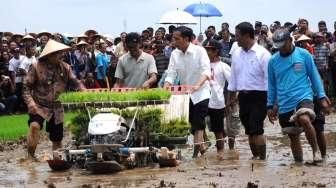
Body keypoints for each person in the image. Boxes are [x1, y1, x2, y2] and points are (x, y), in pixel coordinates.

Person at [267, 29, 330, 162]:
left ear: (290, 41)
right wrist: (270, 105)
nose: (281, 50)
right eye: (278, 47)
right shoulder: (273, 61)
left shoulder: (304, 55)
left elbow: (314, 76)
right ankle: (298, 168)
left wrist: (321, 96)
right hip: (284, 102)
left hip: (304, 96)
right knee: (293, 135)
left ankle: (316, 152)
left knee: (305, 119)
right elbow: (272, 85)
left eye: (283, 46)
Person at [23, 39, 85, 159]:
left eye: (61, 52)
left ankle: (57, 161)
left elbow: (76, 83)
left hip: (57, 107)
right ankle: (30, 158)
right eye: (58, 53)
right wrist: (30, 103)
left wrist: (85, 92)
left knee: (57, 138)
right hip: (39, 104)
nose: (61, 55)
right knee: (35, 126)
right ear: (50, 55)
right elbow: (26, 86)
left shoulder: (65, 67)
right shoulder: (36, 67)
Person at [163, 26, 211, 158]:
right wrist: (166, 86)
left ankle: (196, 155)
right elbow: (171, 73)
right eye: (173, 38)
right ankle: (203, 147)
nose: (173, 41)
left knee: (198, 122)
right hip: (184, 95)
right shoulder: (174, 54)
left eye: (177, 39)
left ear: (187, 39)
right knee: (192, 124)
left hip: (201, 92)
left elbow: (206, 71)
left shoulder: (200, 51)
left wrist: (197, 86)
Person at [228, 22, 271, 160]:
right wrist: (230, 100)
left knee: (256, 128)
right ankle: (255, 158)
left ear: (247, 35)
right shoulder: (236, 54)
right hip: (243, 97)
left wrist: (271, 104)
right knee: (249, 130)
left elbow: (269, 80)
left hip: (260, 96)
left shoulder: (263, 54)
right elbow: (233, 78)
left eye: (238, 36)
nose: (236, 39)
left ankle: (262, 160)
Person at [204, 39, 231, 158]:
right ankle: (203, 148)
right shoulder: (203, 65)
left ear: (216, 52)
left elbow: (233, 84)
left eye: (209, 50)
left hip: (217, 102)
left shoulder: (223, 66)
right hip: (202, 100)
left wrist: (231, 100)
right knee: (197, 127)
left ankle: (220, 155)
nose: (207, 52)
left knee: (218, 131)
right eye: (206, 49)